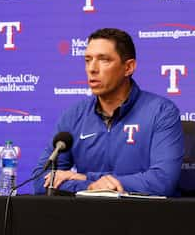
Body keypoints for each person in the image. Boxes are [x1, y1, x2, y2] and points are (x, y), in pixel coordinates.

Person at [32, 28, 184, 196]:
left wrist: (86, 178)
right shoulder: (73, 115)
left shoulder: (161, 112)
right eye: (88, 60)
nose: (92, 69)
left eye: (103, 60)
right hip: (86, 217)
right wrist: (90, 186)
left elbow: (162, 181)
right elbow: (41, 180)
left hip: (143, 217)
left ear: (128, 67)